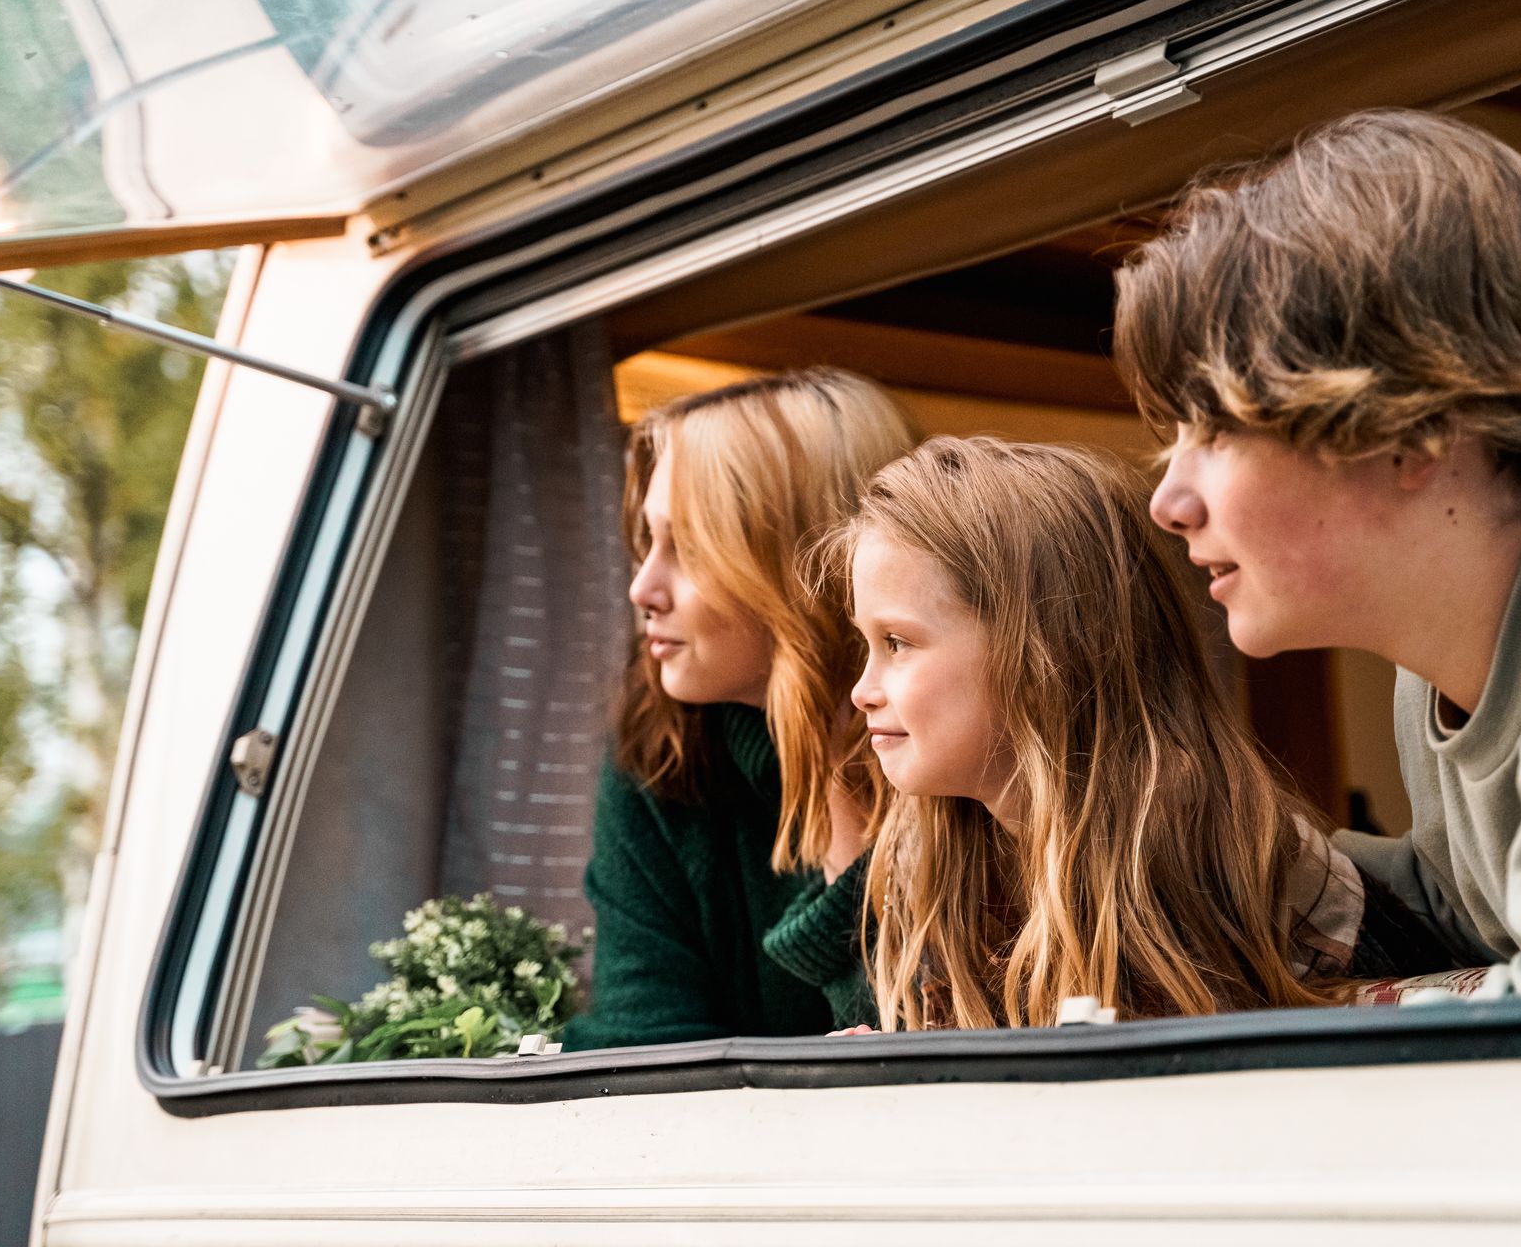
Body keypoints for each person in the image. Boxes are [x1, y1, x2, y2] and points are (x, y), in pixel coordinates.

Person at [1120, 108, 1521, 998]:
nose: (1168, 502)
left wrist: (1330, 1015)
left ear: (1415, 419)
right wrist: (1197, 858)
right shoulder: (1440, 670)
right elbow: (1478, 912)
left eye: (1215, 428)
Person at [831, 436, 1362, 1030]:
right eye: (867, 645)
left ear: (1038, 653)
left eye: (897, 643)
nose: (862, 690)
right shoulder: (925, 850)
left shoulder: (1198, 836)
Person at [560, 369, 916, 1050]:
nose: (642, 587)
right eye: (647, 541)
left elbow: (923, 1054)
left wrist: (838, 776)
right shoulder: (662, 749)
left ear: (806, 558)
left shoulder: (957, 753)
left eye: (688, 550)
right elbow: (638, 1053)